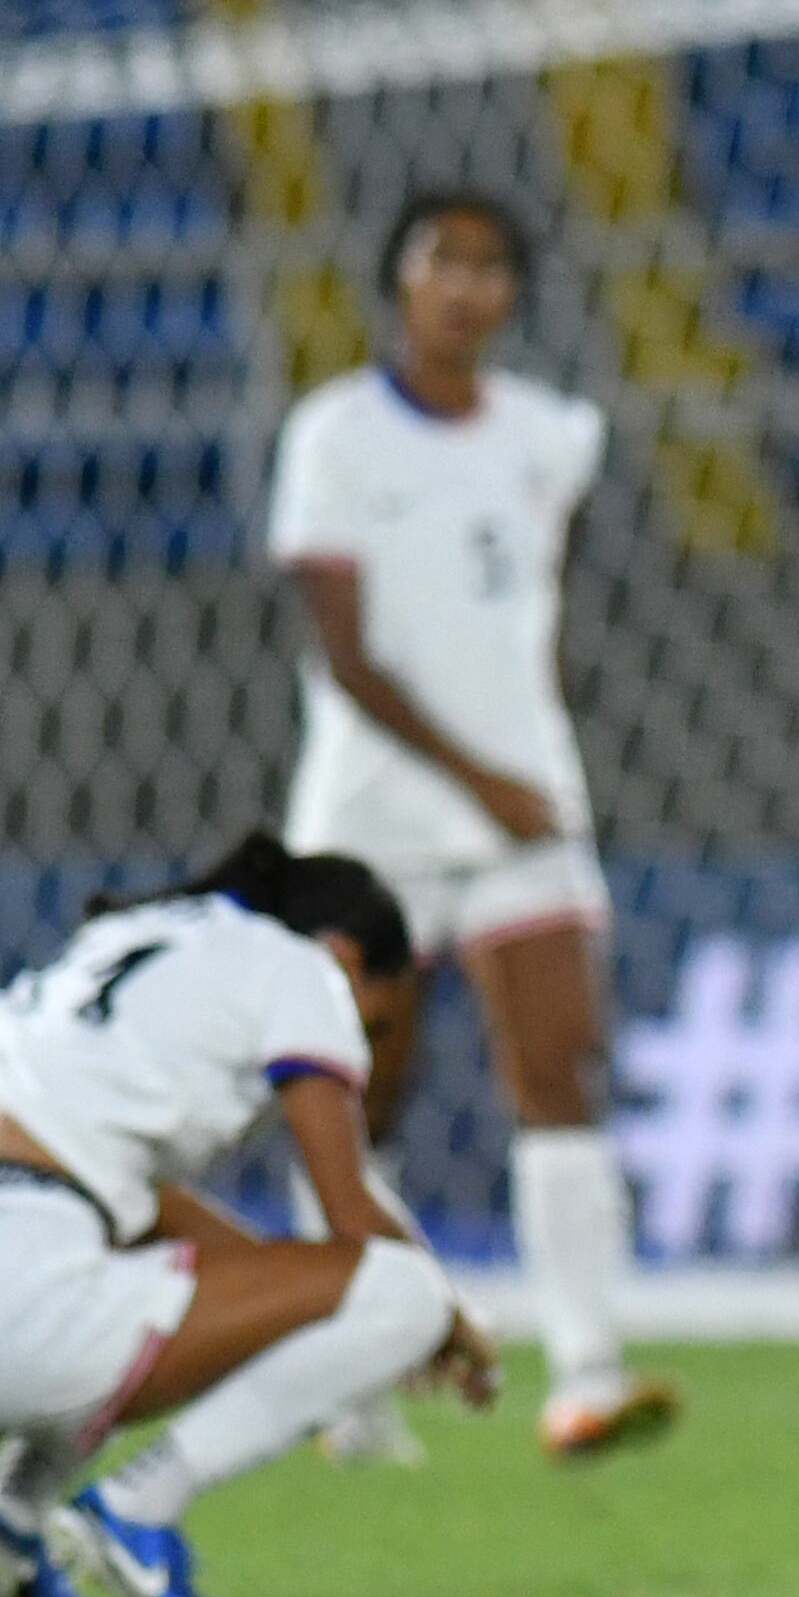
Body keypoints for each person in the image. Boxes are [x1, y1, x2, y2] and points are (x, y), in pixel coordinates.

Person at [264, 187, 673, 1462]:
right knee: (360, 1099)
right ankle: (346, 1378)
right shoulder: (335, 435)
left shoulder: (550, 437)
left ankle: (589, 1372)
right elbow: (346, 653)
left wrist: (513, 772)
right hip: (373, 821)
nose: (466, 286)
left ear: (511, 296)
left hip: (526, 811)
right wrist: (474, 773)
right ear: (399, 279)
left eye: (492, 266)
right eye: (444, 258)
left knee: (561, 1069)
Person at [0, 833, 490, 1597]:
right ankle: (136, 1509)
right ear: (348, 955)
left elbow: (147, 1210)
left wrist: (279, 1302)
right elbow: (349, 1211)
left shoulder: (125, 940)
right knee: (403, 1291)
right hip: (10, 1313)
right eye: (377, 1023)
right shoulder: (301, 965)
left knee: (144, 1287)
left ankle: (7, 1523)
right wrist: (444, 1316)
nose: (368, 1046)